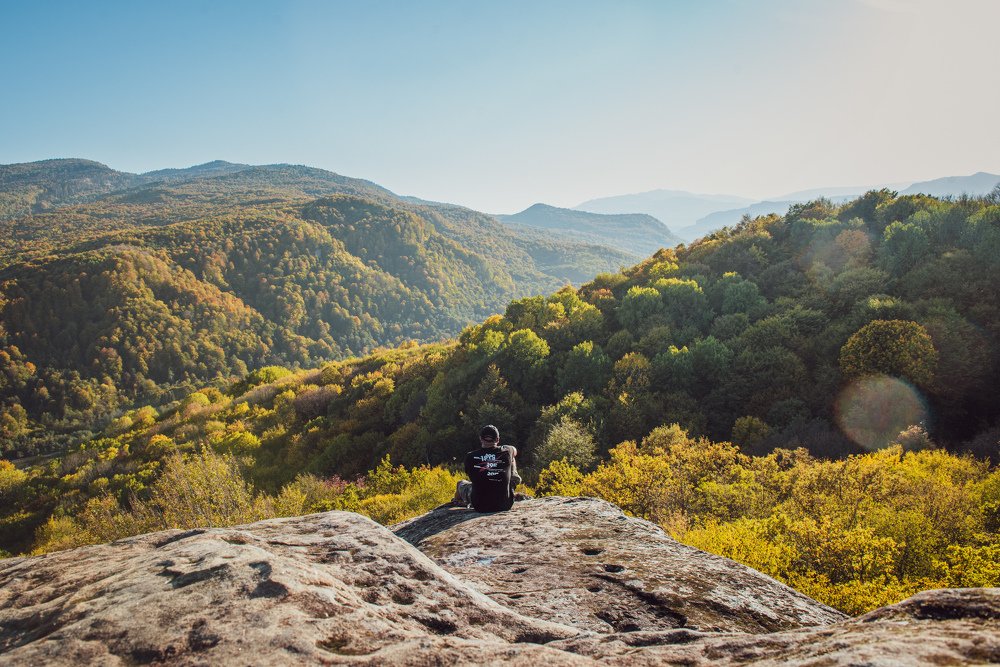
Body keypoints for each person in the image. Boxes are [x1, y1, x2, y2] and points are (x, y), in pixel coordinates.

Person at [453, 425, 522, 512]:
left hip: (480, 506)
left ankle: (455, 501)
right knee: (511, 459)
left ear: (481, 439)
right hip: (505, 504)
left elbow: (470, 474)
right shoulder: (507, 451)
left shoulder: (470, 456)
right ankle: (515, 479)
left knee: (460, 483)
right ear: (497, 439)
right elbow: (514, 450)